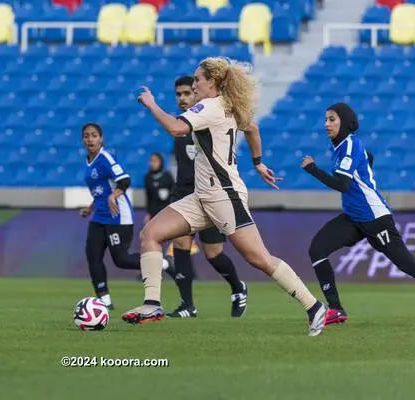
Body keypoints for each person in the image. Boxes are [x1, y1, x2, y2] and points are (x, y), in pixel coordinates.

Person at [123, 57, 330, 337]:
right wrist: (257, 162)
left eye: (198, 79)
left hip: (224, 196)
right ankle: (152, 303)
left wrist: (151, 104)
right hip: (203, 196)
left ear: (214, 82)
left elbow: (176, 128)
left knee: (258, 258)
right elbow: (253, 129)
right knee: (151, 233)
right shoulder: (227, 105)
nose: (194, 84)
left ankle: (314, 306)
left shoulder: (209, 106)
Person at [302, 103, 415, 325]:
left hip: (374, 217)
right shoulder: (343, 146)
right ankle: (335, 309)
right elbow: (368, 157)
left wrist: (313, 169)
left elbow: (343, 185)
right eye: (325, 119)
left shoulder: (350, 144)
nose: (326, 124)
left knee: (406, 264)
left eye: (332, 119)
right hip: (354, 217)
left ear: (344, 121)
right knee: (317, 249)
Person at [166, 76, 248, 319]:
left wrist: (257, 162)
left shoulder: (210, 119)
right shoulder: (181, 126)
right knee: (180, 245)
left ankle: (238, 287)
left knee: (213, 253)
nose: (182, 98)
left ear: (197, 93)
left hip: (212, 193)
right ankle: (187, 305)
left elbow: (249, 128)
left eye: (186, 93)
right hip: (184, 193)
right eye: (178, 94)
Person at [79, 123, 169, 310]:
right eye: (86, 136)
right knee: (92, 256)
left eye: (94, 135)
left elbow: (124, 180)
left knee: (121, 260)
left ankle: (163, 263)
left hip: (117, 216)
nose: (90, 139)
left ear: (101, 138)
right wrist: (90, 207)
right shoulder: (89, 160)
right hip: (99, 217)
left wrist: (115, 195)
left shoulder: (105, 158)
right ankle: (105, 302)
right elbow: (102, 190)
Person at [143, 152, 174, 223]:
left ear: (161, 162)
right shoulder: (148, 177)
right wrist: (148, 213)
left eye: (155, 160)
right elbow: (148, 197)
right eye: (151, 161)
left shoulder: (167, 176)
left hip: (167, 212)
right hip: (154, 213)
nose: (152, 163)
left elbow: (174, 194)